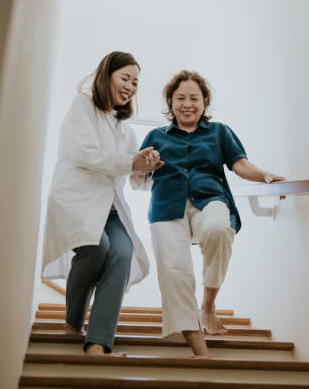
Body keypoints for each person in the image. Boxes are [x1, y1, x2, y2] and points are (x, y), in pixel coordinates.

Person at [131, 70, 285, 358]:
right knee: (174, 270)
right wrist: (144, 164)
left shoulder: (219, 132)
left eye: (194, 98)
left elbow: (240, 164)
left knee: (218, 228)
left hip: (210, 197)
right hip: (166, 205)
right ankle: (190, 333)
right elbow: (138, 176)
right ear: (170, 102)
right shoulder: (155, 135)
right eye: (180, 98)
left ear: (204, 102)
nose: (187, 104)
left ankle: (208, 306)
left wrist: (266, 176)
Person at [41, 51, 163, 356]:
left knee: (122, 252)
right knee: (98, 247)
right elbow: (86, 154)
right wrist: (131, 161)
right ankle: (72, 322)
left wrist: (148, 166)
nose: (131, 86)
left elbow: (135, 179)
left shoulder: (127, 130)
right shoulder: (82, 105)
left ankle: (98, 341)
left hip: (110, 207)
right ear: (106, 75)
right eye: (125, 78)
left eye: (136, 82)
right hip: (77, 199)